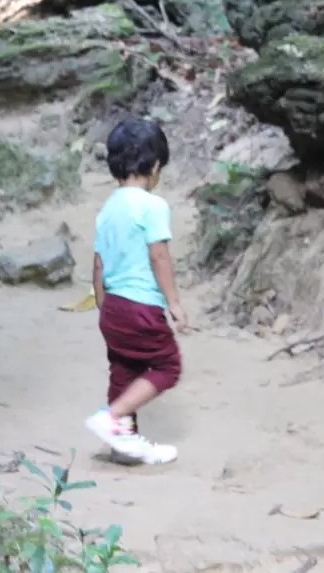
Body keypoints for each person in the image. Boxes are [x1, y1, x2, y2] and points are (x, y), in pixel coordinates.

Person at [84, 117, 187, 465]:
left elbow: (99, 263)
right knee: (167, 365)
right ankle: (112, 418)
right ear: (155, 166)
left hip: (113, 306)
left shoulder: (107, 210)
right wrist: (173, 302)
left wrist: (104, 306)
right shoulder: (152, 206)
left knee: (124, 369)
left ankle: (124, 444)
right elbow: (159, 255)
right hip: (141, 306)